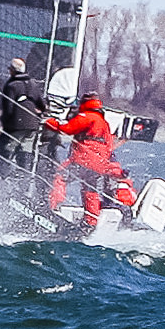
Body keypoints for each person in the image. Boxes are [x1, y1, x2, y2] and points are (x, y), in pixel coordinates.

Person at [43, 93, 124, 233]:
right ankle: (90, 222)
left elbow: (67, 129)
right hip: (99, 165)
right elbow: (109, 146)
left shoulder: (86, 116)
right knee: (90, 190)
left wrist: (48, 122)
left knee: (60, 177)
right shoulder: (103, 122)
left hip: (83, 160)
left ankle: (53, 208)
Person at [0, 58, 45, 174]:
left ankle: (3, 174)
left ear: (13, 71)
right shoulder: (33, 84)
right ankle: (24, 175)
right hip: (32, 124)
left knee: (7, 148)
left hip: (16, 124)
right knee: (26, 148)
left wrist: (5, 123)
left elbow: (8, 108)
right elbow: (42, 104)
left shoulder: (12, 85)